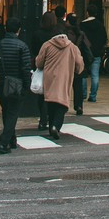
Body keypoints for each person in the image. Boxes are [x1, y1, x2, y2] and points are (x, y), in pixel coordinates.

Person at [0, 18, 33, 154]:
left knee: (6, 111)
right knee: (12, 112)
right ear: (18, 30)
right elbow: (26, 69)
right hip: (16, 84)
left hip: (0, 84)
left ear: (5, 29)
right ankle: (3, 142)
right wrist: (27, 86)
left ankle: (12, 140)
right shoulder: (22, 46)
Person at [34, 11, 85, 139]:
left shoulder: (47, 45)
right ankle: (55, 126)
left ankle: (51, 124)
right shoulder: (72, 47)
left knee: (50, 102)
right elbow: (79, 64)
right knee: (62, 103)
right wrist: (77, 71)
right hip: (65, 78)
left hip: (49, 78)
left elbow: (39, 62)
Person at [64, 12, 94, 116]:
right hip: (78, 61)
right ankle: (79, 106)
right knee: (78, 86)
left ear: (67, 21)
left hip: (66, 62)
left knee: (64, 85)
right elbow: (87, 47)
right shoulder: (80, 33)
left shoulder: (65, 33)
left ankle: (63, 105)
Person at [79, 3, 108, 103]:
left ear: (87, 13)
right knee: (95, 75)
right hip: (96, 54)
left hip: (84, 53)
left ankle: (83, 94)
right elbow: (104, 39)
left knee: (83, 74)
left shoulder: (82, 24)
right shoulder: (100, 25)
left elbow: (80, 39)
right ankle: (93, 96)